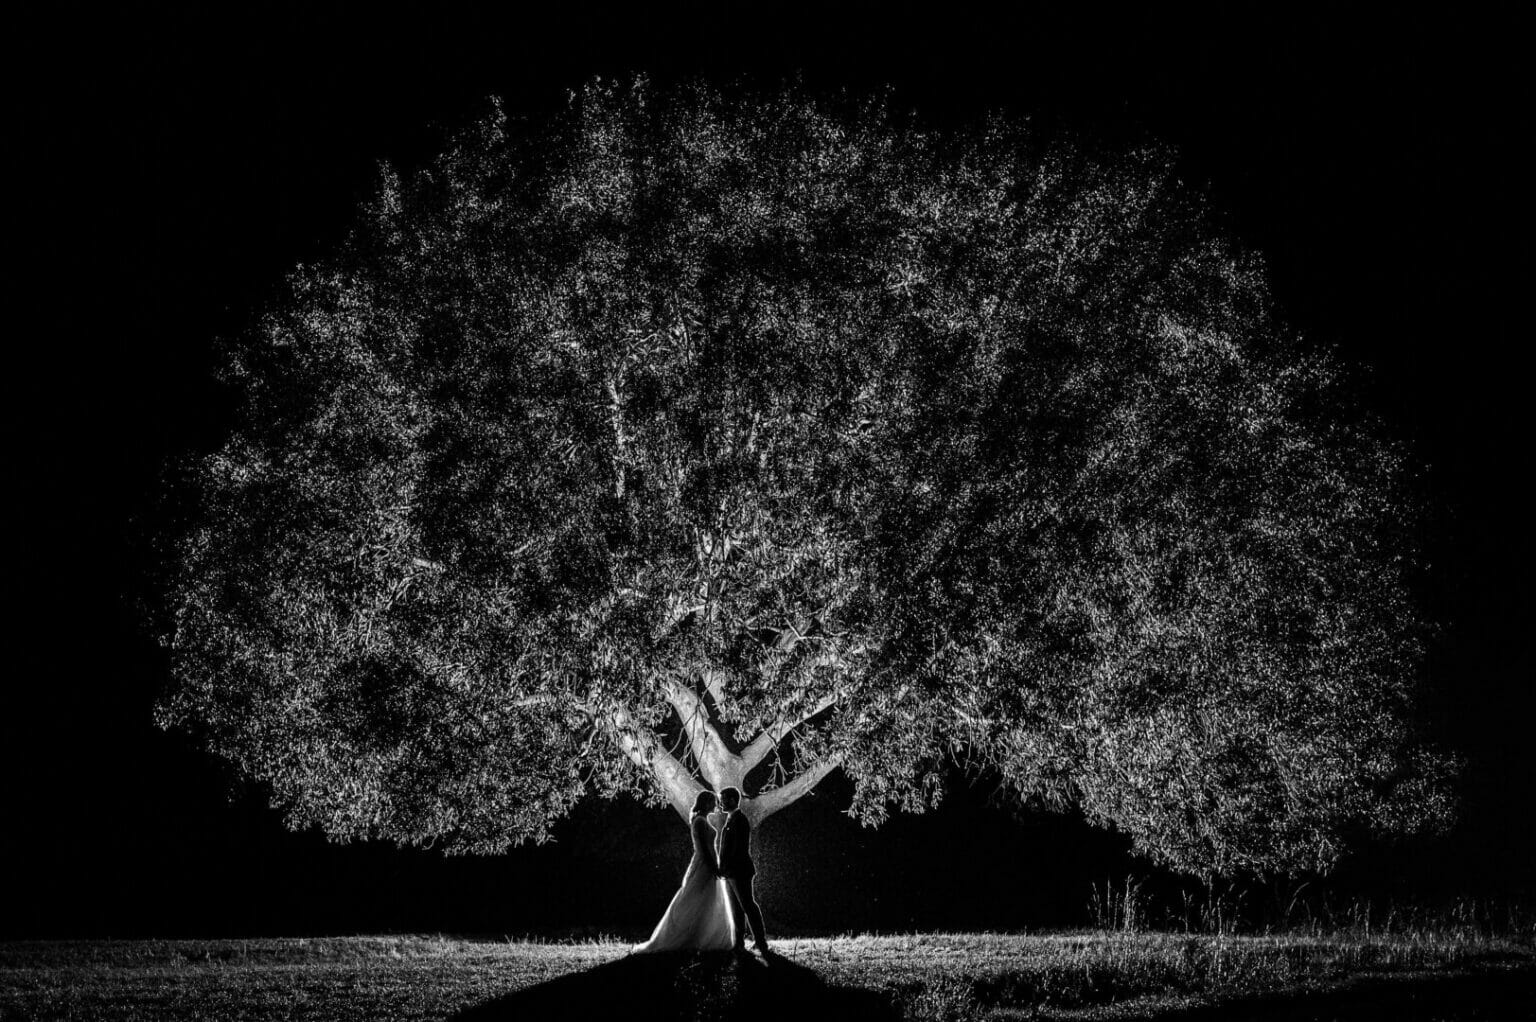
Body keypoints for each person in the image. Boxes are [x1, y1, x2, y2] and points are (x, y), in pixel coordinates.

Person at [632, 790, 736, 953]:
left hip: (707, 863)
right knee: (697, 898)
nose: (716, 805)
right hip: (704, 864)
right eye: (714, 802)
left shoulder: (701, 820)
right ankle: (689, 937)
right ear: (707, 803)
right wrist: (713, 867)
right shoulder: (700, 822)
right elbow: (704, 849)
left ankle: (704, 936)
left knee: (707, 899)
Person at [716, 786, 769, 954]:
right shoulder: (732, 818)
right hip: (730, 872)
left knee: (747, 905)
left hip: (739, 871)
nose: (721, 803)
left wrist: (725, 867)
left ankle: (761, 942)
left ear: (732, 800)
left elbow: (737, 849)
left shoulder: (740, 820)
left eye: (723, 799)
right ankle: (739, 943)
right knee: (736, 908)